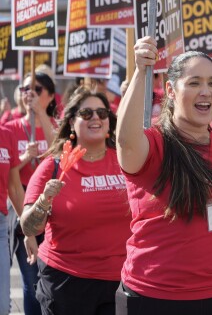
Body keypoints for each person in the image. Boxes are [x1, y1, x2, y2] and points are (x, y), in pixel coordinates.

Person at [115, 37, 212, 314]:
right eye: (194, 83)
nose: (205, 91)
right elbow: (125, 141)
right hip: (158, 298)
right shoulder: (154, 145)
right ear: (170, 90)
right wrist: (141, 71)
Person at [19, 88, 130, 315]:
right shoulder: (53, 166)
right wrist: (44, 200)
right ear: (71, 122)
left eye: (102, 113)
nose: (96, 118)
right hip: (66, 283)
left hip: (121, 281)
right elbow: (28, 226)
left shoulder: (127, 161)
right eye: (87, 113)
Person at [5, 72, 57, 315]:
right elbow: (9, 173)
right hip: (22, 205)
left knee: (51, 282)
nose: (29, 94)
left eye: (36, 89)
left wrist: (42, 116)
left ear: (49, 95)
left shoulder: (56, 124)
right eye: (25, 89)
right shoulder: (10, 129)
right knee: (31, 279)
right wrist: (25, 157)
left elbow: (60, 154)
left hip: (53, 207)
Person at [0, 125, 26, 315]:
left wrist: (30, 230)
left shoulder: (6, 135)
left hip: (1, 225)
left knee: (2, 306)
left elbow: (15, 188)